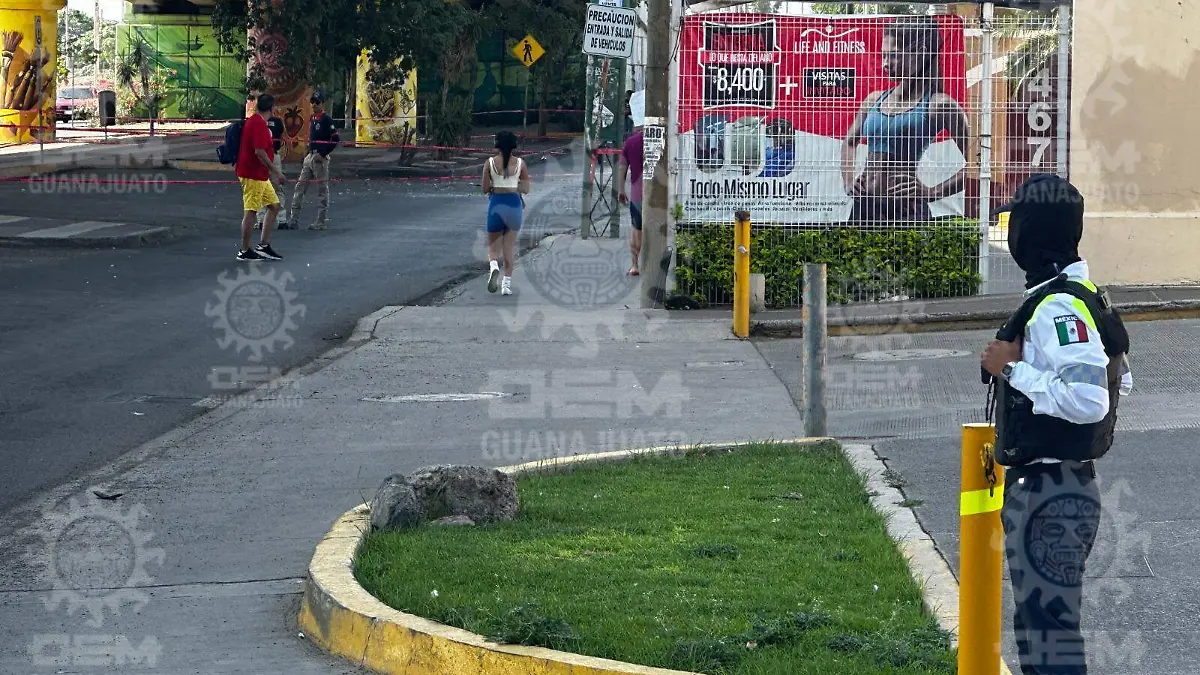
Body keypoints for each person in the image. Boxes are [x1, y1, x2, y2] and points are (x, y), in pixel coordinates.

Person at [981, 173, 1133, 675]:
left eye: (1016, 222)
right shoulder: (1082, 293)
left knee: (1049, 643)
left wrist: (1012, 368)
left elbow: (1092, 400)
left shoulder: (1059, 306)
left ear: (1032, 230)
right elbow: (1120, 382)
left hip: (1049, 495)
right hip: (1064, 486)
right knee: (1045, 633)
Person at [841, 16, 969, 223]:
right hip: (865, 206)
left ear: (921, 53)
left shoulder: (939, 104)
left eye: (893, 56)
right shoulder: (873, 100)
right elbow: (849, 142)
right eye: (883, 56)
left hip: (907, 210)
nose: (885, 64)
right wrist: (848, 181)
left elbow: (979, 164)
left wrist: (932, 192)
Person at [235, 93, 286, 261]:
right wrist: (276, 171)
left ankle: (263, 245)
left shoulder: (256, 121)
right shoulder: (258, 124)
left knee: (274, 206)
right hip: (253, 174)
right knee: (251, 211)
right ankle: (244, 250)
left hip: (260, 175)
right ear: (271, 108)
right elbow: (259, 152)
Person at [481, 131, 529, 296]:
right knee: (509, 248)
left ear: (497, 145)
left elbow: (485, 189)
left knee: (493, 249)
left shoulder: (489, 163)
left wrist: (496, 186)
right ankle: (506, 285)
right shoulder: (521, 164)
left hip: (496, 205)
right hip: (514, 207)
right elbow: (527, 189)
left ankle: (494, 266)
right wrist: (514, 187)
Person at [287, 90, 338, 230]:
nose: (314, 105)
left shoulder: (326, 119)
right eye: (313, 102)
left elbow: (335, 139)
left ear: (322, 103)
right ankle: (294, 219)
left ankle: (321, 221)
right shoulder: (312, 118)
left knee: (321, 190)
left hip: (319, 158)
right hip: (310, 156)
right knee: (300, 187)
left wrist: (323, 153)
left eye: (317, 102)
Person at [616, 125, 643, 276]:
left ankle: (635, 266)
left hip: (637, 193)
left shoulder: (631, 142)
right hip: (659, 193)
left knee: (636, 229)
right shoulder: (662, 139)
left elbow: (622, 167)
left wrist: (621, 190)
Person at [255, 111, 287, 231]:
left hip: (261, 156)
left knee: (261, 187)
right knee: (278, 188)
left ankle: (261, 220)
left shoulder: (256, 122)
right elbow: (281, 138)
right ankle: (281, 219)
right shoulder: (277, 122)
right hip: (273, 155)